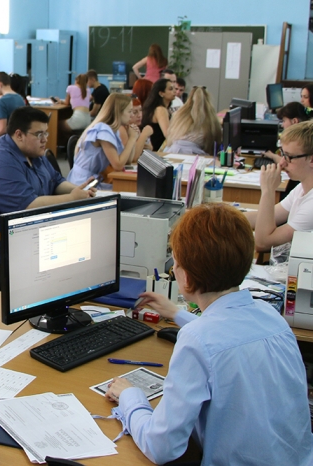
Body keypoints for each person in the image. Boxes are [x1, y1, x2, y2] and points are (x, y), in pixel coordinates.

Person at [106, 203, 313, 466]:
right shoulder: (270, 316)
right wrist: (177, 313)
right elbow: (227, 337)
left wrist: (130, 397)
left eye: (175, 264)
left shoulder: (197, 340)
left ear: (186, 279)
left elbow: (161, 447)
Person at [0, 106, 97, 258]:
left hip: (11, 222)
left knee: (73, 236)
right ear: (19, 134)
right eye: (39, 134)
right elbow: (27, 206)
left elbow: (55, 181)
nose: (45, 139)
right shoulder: (0, 161)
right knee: (61, 245)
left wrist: (80, 191)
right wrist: (72, 198)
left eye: (46, 132)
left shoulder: (32, 151)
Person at [245, 120, 313, 252]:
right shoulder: (302, 187)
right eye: (282, 154)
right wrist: (221, 218)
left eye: (289, 157)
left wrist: (268, 190)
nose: (281, 163)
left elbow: (263, 243)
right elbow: (266, 216)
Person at [67, 94, 143, 187]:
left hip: (92, 181)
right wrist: (132, 139)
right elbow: (118, 165)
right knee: (125, 191)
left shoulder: (113, 130)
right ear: (118, 112)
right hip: (82, 183)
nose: (132, 115)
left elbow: (127, 161)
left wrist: (132, 138)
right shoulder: (103, 130)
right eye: (130, 111)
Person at [164, 86, 222, 155]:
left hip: (172, 151)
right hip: (196, 154)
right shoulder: (211, 119)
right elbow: (216, 142)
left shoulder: (178, 114)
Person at [0, 71, 25, 139]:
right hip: (20, 138)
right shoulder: (20, 98)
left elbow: (2, 129)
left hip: (9, 139)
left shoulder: (1, 101)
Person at [141, 78, 175, 151]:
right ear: (161, 93)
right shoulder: (161, 109)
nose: (174, 91)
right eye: (170, 89)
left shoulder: (157, 108)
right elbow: (168, 134)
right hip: (156, 150)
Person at [118, 97, 153, 162]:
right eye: (134, 112)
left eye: (141, 110)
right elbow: (134, 157)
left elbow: (149, 149)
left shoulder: (136, 127)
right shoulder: (121, 129)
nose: (139, 115)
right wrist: (144, 135)